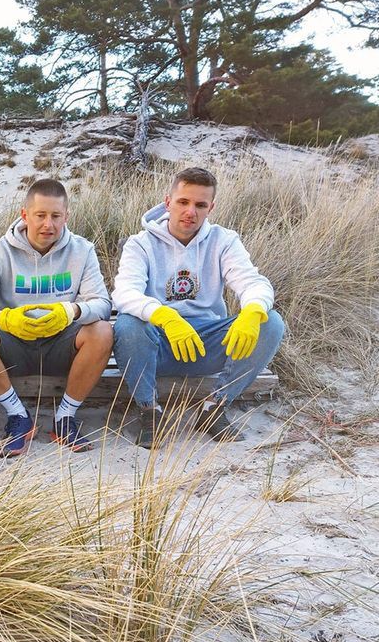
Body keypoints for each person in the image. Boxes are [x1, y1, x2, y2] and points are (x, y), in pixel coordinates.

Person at [112, 166, 285, 448]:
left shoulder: (224, 240)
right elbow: (124, 292)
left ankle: (214, 408)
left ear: (211, 208)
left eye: (200, 204)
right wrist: (165, 316)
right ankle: (148, 411)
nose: (190, 211)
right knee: (128, 324)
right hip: (160, 344)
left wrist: (252, 310)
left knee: (271, 322)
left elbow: (253, 282)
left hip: (206, 343)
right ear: (168, 202)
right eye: (183, 202)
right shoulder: (140, 244)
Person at [0, 178, 113, 456]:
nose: (48, 224)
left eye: (55, 216)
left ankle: (64, 419)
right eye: (40, 215)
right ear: (25, 214)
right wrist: (1, 319)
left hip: (62, 345)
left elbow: (102, 304)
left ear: (66, 216)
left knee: (102, 331)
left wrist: (72, 311)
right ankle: (18, 417)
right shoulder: (0, 251)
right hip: (14, 347)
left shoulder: (82, 250)